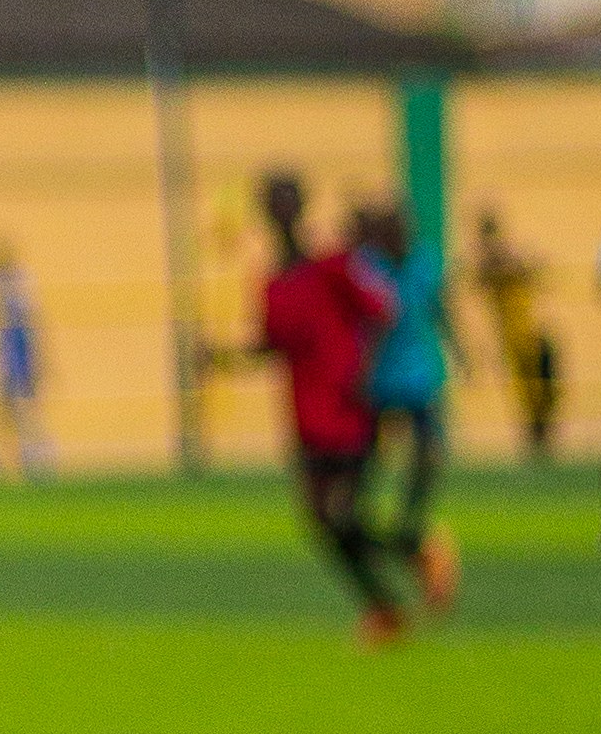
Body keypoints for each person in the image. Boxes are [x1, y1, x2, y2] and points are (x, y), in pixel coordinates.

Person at [236, 173, 412, 638]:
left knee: (344, 516)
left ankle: (393, 591)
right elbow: (270, 344)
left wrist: (365, 373)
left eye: (287, 200)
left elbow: (383, 308)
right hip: (306, 417)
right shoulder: (273, 281)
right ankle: (395, 584)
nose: (281, 210)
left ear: (301, 204)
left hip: (350, 410)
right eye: (272, 202)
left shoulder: (333, 263)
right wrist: (218, 356)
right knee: (322, 522)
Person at [350, 194, 460, 606]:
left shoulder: (425, 263)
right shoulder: (367, 268)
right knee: (371, 462)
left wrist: (461, 352)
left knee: (428, 455)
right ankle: (393, 527)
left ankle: (412, 522)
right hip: (380, 382)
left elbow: (441, 311)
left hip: (418, 377)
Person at [469, 207, 561, 462]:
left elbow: (534, 268)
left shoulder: (507, 257)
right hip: (514, 337)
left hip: (527, 333)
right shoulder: (491, 263)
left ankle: (541, 442)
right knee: (527, 391)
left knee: (540, 390)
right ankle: (535, 443)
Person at [0, 239, 51, 479]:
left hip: (15, 365)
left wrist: (33, 366)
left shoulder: (9, 285)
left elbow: (22, 330)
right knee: (7, 418)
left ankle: (37, 465)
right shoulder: (11, 286)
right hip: (10, 364)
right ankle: (31, 464)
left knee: (20, 419)